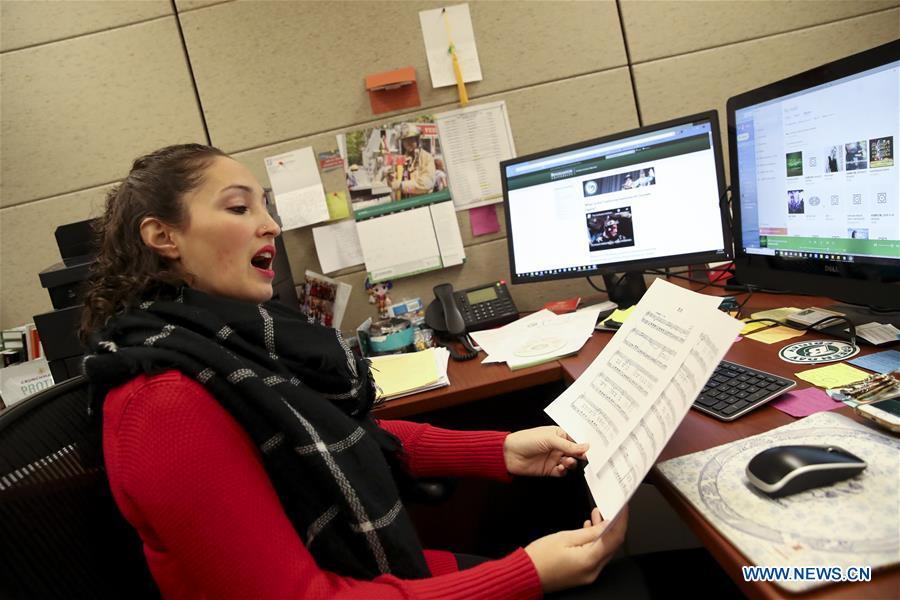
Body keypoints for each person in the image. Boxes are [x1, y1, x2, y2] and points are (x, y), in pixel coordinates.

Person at [79, 144, 629, 599]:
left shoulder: (226, 345)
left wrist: (499, 449)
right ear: (164, 237)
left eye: (265, 206)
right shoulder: (163, 404)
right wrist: (526, 575)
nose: (271, 225)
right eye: (240, 208)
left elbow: (343, 436)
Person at [388, 123, 436, 199]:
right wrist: (390, 179)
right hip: (404, 203)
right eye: (405, 140)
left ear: (417, 139)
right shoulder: (401, 160)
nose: (408, 143)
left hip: (422, 203)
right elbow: (394, 184)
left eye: (411, 139)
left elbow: (427, 183)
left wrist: (402, 185)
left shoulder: (427, 157)